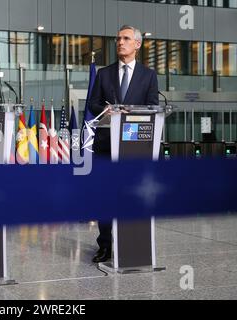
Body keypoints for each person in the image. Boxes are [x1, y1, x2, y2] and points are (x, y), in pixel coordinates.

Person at [88, 25, 159, 263]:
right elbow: (92, 104)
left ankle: (132, 242)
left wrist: (132, 112)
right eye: (118, 38)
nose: (120, 42)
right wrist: (108, 110)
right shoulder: (104, 73)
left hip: (135, 147)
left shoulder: (148, 76)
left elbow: (153, 106)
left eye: (126, 38)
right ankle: (105, 245)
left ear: (137, 44)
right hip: (106, 145)